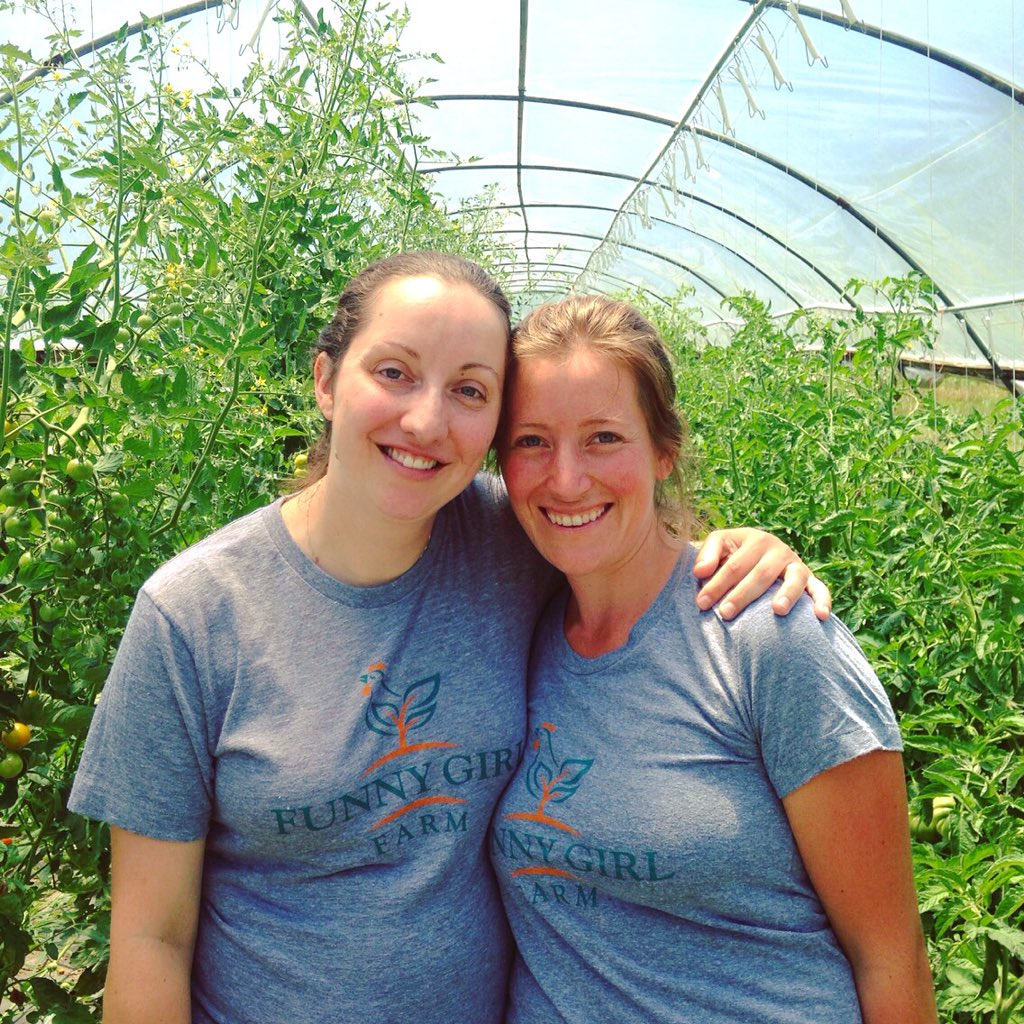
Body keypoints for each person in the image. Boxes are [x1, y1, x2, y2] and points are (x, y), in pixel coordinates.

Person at [68, 253, 827, 1024]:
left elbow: (616, 523)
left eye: (468, 390)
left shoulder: (514, 542)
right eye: (393, 372)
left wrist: (745, 552)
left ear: (493, 426)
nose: (427, 421)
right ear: (326, 380)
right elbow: (151, 936)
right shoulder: (193, 615)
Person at [492, 294, 936, 1024]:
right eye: (531, 441)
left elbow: (891, 958)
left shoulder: (766, 635)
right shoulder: (515, 614)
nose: (565, 479)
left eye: (604, 437)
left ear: (664, 450)